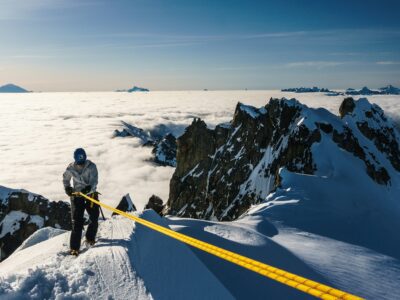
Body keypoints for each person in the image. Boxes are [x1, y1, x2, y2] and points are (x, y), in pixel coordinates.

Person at [63, 148, 99, 256]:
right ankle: (74, 247)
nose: (81, 162)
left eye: (82, 159)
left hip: (90, 195)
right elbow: (65, 179)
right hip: (77, 196)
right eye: (79, 160)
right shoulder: (70, 168)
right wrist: (67, 188)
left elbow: (94, 181)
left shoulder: (91, 166)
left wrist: (88, 189)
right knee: (77, 221)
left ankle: (90, 238)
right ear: (75, 159)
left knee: (94, 218)